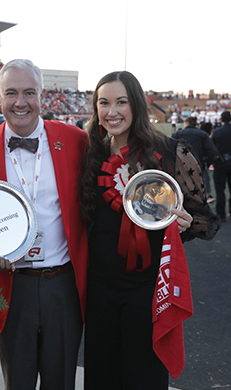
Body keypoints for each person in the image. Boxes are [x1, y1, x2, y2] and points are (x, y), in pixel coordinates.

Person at [78, 71, 220, 390]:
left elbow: (204, 220)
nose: (111, 111)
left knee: (144, 377)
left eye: (121, 102)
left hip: (147, 290)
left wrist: (184, 223)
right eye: (104, 103)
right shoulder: (91, 153)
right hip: (100, 288)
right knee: (102, 376)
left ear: (138, 106)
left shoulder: (170, 153)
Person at [0, 59, 88, 389]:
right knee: (17, 382)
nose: (20, 102)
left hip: (62, 283)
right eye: (11, 93)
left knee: (61, 380)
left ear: (42, 96)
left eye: (28, 93)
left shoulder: (76, 140)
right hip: (10, 285)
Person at [211, 110, 231, 222]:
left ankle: (221, 214)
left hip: (221, 163)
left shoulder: (217, 132)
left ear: (221, 120)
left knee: (220, 190)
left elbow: (212, 148)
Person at [200, 122, 216, 202]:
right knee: (205, 179)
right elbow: (211, 151)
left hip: (194, 161)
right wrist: (209, 162)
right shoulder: (204, 137)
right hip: (202, 161)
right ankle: (207, 195)